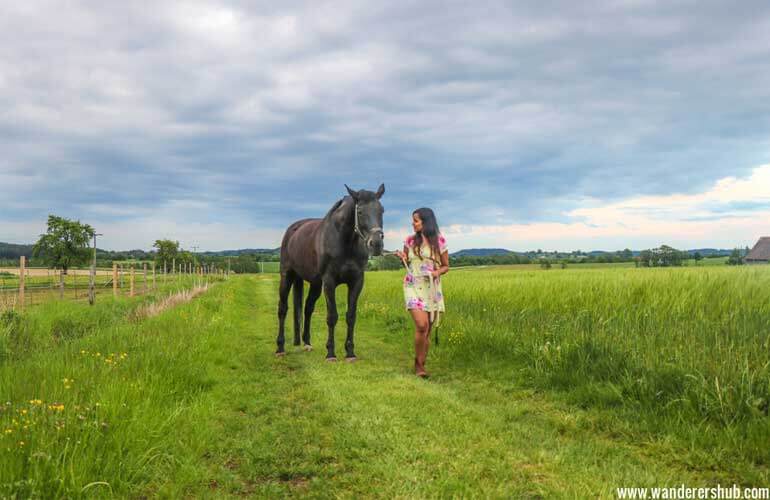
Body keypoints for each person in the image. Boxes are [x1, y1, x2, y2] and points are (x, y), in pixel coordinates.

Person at [395, 208, 449, 378]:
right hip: (412, 285)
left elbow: (446, 266)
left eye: (416, 220)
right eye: (413, 220)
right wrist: (401, 256)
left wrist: (436, 272)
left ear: (426, 221)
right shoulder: (410, 240)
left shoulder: (440, 241)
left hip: (432, 288)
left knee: (428, 331)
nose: (413, 223)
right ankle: (418, 365)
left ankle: (421, 363)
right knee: (421, 325)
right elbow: (407, 257)